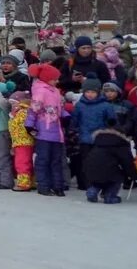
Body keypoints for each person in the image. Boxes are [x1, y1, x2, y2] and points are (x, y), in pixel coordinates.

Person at [26, 63, 69, 197]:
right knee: (43, 159)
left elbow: (59, 109)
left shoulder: (55, 91)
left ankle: (57, 185)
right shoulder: (40, 91)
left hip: (57, 132)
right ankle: (43, 185)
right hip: (44, 131)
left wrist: (66, 117)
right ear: (46, 78)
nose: (57, 81)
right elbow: (34, 109)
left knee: (57, 160)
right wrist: (29, 125)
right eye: (54, 79)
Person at [69, 78, 117, 190]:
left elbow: (112, 120)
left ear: (98, 92)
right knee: (85, 161)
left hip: (100, 138)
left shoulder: (105, 105)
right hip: (84, 138)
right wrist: (73, 130)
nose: (90, 94)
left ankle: (99, 182)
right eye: (87, 92)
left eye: (93, 92)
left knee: (99, 161)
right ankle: (86, 183)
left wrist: (111, 123)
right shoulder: (80, 105)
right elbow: (74, 121)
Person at [83, 127, 135, 204]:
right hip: (109, 172)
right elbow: (127, 162)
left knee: (98, 180)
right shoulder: (121, 144)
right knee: (115, 178)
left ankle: (92, 192)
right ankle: (110, 196)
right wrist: (134, 175)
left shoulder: (98, 141)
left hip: (91, 170)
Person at [8, 91, 34, 191]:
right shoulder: (18, 112)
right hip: (19, 141)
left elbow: (19, 126)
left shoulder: (23, 112)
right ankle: (29, 181)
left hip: (23, 141)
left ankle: (24, 183)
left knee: (22, 162)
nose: (12, 105)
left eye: (14, 103)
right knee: (25, 162)